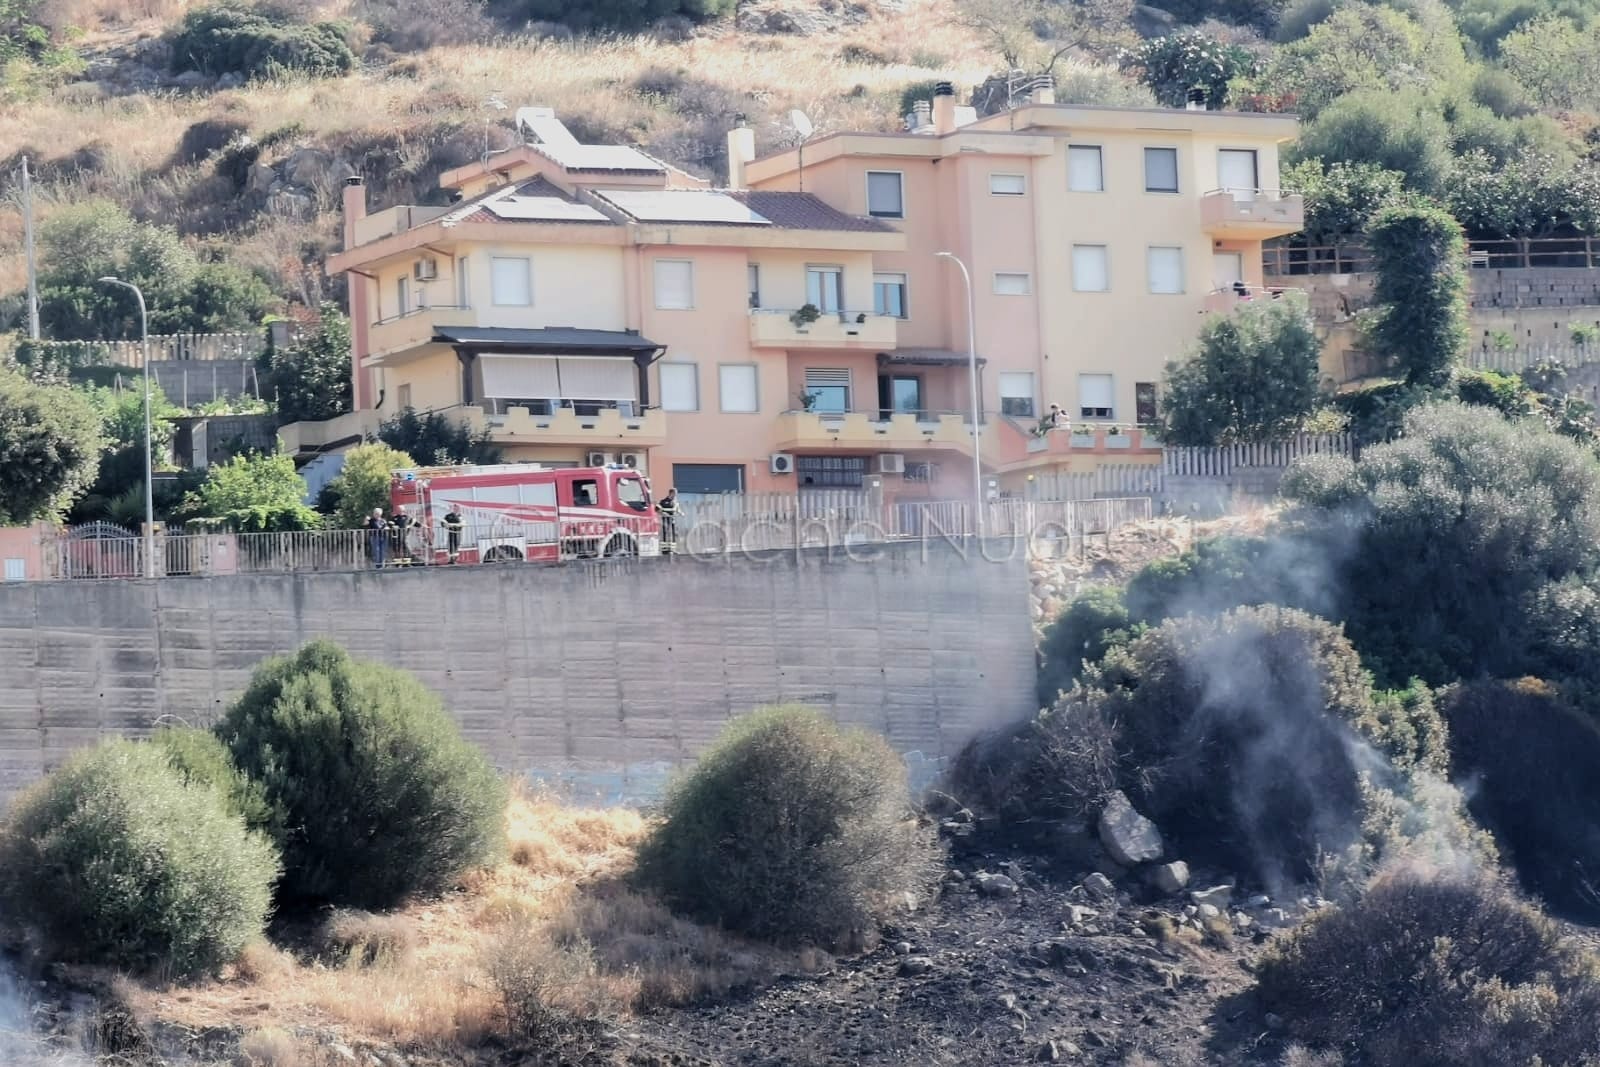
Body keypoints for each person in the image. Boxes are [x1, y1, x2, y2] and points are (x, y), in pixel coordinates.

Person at [656, 488, 680, 556]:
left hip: (672, 520)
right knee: (665, 534)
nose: (676, 495)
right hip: (665, 521)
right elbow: (656, 509)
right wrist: (663, 513)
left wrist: (681, 513)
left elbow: (676, 509)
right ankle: (664, 551)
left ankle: (673, 550)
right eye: (675, 494)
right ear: (671, 493)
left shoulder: (674, 502)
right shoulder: (663, 501)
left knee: (673, 535)